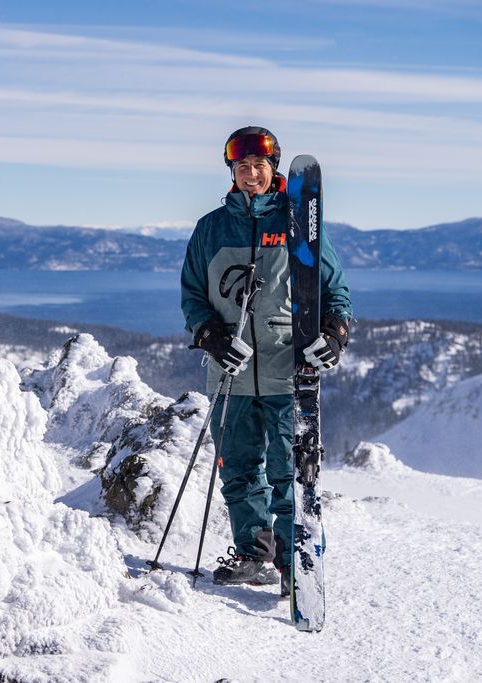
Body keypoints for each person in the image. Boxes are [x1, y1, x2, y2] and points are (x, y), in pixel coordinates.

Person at [180, 126, 352, 597]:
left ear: (273, 169)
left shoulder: (301, 224)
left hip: (285, 371)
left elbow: (334, 291)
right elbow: (193, 296)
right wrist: (210, 335)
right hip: (230, 374)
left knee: (286, 470)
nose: (251, 174)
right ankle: (255, 554)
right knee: (237, 468)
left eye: (259, 166)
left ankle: (293, 558)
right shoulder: (211, 228)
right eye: (242, 167)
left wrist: (334, 335)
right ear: (231, 172)